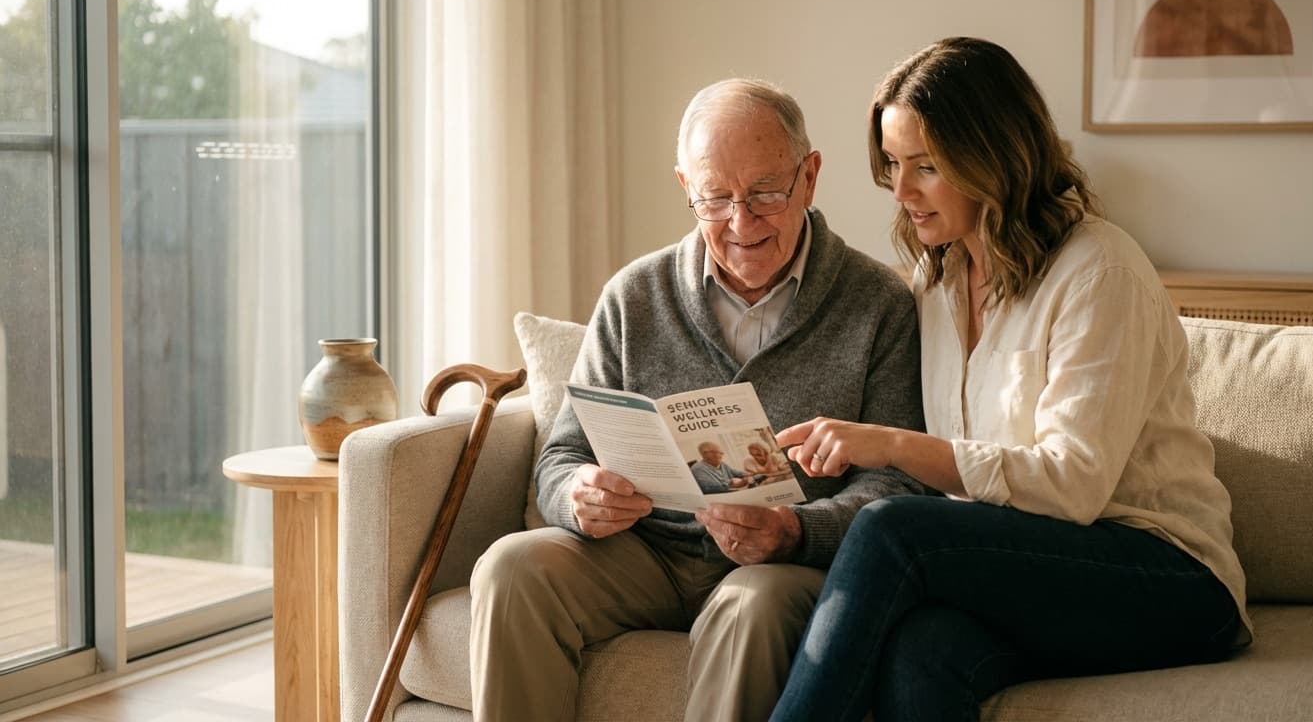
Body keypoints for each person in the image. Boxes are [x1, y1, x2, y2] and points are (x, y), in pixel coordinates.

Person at [769, 37, 1251, 722]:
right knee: (920, 652)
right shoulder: (935, 284)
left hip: (1165, 576)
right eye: (894, 165)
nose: (901, 192)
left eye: (926, 167)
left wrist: (894, 445)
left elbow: (1072, 485)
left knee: (890, 531)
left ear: (991, 157)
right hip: (1027, 570)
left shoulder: (1098, 271)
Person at [469, 78, 927, 722]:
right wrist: (576, 493)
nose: (741, 222)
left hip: (781, 569)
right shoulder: (635, 296)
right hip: (645, 553)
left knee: (752, 607)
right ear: (687, 188)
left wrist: (796, 531)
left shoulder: (879, 304)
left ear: (810, 176)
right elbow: (562, 452)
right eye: (715, 198)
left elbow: (902, 486)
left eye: (766, 192)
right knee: (511, 568)